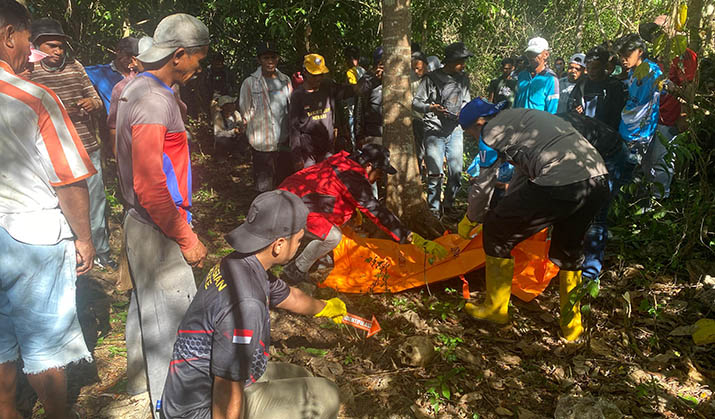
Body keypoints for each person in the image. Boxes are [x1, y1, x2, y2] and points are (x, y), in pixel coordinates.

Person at [160, 190, 342, 419]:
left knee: (299, 373)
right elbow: (226, 388)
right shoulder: (246, 304)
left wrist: (325, 307)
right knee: (327, 394)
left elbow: (290, 297)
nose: (299, 246)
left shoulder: (239, 262)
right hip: (201, 409)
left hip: (198, 389)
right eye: (298, 240)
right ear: (279, 245)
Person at [0, 2, 96, 417]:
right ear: (8, 37)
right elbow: (69, 179)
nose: (27, 49)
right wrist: (85, 237)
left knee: (1, 337)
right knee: (44, 345)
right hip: (34, 235)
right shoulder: (35, 97)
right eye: (24, 38)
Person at [115, 13, 210, 417]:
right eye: (199, 60)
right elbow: (151, 185)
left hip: (140, 220)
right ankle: (173, 407)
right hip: (158, 225)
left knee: (145, 306)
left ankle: (142, 387)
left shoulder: (132, 88)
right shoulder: (154, 101)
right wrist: (186, 237)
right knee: (173, 323)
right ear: (180, 55)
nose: (200, 68)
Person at [456, 98, 609, 341]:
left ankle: (495, 309)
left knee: (496, 230)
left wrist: (471, 218)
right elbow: (523, 175)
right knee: (567, 250)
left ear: (479, 123)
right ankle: (572, 326)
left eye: (470, 133)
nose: (474, 138)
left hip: (562, 180)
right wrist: (510, 206)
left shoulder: (489, 133)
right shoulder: (521, 119)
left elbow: (484, 184)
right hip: (597, 180)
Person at [279, 144, 448, 284]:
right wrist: (408, 236)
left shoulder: (343, 162)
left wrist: (350, 212)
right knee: (333, 237)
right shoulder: (351, 176)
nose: (380, 178)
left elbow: (332, 191)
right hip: (292, 205)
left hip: (288, 197)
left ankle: (313, 259)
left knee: (340, 231)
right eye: (380, 172)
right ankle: (295, 271)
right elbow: (374, 209)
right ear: (368, 166)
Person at [27, 17, 116, 270]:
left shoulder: (75, 67)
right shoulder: (30, 72)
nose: (58, 51)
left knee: (96, 203)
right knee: (62, 206)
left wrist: (93, 104)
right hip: (53, 155)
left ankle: (101, 252)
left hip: (87, 148)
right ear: (35, 46)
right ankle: (70, 256)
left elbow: (96, 99)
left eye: (61, 46)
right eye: (52, 46)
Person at [556, 112, 629, 282]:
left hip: (612, 157)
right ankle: (566, 263)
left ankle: (589, 276)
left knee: (596, 215)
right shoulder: (541, 132)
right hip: (592, 155)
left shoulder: (565, 137)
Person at [413, 42, 473, 220]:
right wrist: (431, 108)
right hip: (434, 129)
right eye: (461, 61)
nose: (463, 65)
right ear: (451, 61)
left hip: (454, 129)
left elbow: (466, 101)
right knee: (435, 173)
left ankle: (448, 205)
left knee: (456, 172)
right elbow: (415, 102)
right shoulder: (430, 79)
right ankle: (433, 211)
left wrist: (463, 111)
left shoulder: (463, 79)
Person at [289, 53, 379, 171]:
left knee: (327, 182)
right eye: (314, 75)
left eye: (321, 74)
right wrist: (297, 159)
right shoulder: (298, 96)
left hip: (327, 148)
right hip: (308, 151)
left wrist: (372, 75)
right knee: (310, 183)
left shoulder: (327, 86)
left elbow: (353, 90)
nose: (318, 78)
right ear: (305, 72)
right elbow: (294, 129)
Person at [640, 19, 698, 199]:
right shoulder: (655, 58)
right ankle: (646, 200)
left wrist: (683, 114)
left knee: (662, 160)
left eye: (659, 32)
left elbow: (688, 86)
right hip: (651, 117)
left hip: (669, 117)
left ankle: (660, 199)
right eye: (653, 34)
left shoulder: (684, 56)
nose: (656, 37)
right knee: (646, 161)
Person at [240, 41, 294, 192]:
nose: (270, 61)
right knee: (264, 187)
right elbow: (245, 112)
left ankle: (283, 214)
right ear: (259, 60)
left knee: (284, 183)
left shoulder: (285, 80)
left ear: (278, 59)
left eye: (273, 57)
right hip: (261, 144)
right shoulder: (250, 83)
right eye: (265, 58)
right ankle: (263, 213)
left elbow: (290, 108)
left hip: (283, 141)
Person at [616, 34, 664, 195]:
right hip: (626, 127)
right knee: (624, 170)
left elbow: (665, 85)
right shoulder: (632, 72)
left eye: (627, 55)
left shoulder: (651, 71)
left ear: (640, 51)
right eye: (621, 55)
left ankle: (637, 206)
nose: (623, 59)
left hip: (640, 133)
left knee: (634, 173)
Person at [106, 36, 153, 156]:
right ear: (135, 59)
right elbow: (114, 127)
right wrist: (118, 158)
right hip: (134, 154)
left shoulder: (168, 84)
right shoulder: (122, 88)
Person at [569, 45, 627, 131]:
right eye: (588, 68)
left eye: (595, 68)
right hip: (584, 134)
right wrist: (575, 112)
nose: (591, 72)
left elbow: (617, 117)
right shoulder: (582, 85)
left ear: (604, 66)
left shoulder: (614, 86)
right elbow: (571, 107)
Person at [85, 36, 139, 112]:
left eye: (135, 56)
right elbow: (77, 73)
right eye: (128, 54)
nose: (131, 59)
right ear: (118, 52)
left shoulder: (140, 74)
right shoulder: (100, 73)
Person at [514, 37, 559, 113]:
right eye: (529, 53)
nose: (531, 56)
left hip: (538, 123)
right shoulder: (522, 75)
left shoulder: (550, 79)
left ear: (546, 54)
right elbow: (516, 101)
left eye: (535, 53)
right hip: (519, 121)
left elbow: (552, 110)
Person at [354, 46, 384, 147]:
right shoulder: (366, 81)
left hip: (392, 135)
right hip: (372, 136)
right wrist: (359, 136)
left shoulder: (396, 81)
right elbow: (359, 109)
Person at [411, 50, 429, 174]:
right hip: (416, 120)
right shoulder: (411, 80)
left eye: (418, 68)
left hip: (431, 121)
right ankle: (418, 176)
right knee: (419, 151)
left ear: (426, 65)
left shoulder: (433, 79)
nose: (416, 72)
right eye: (413, 69)